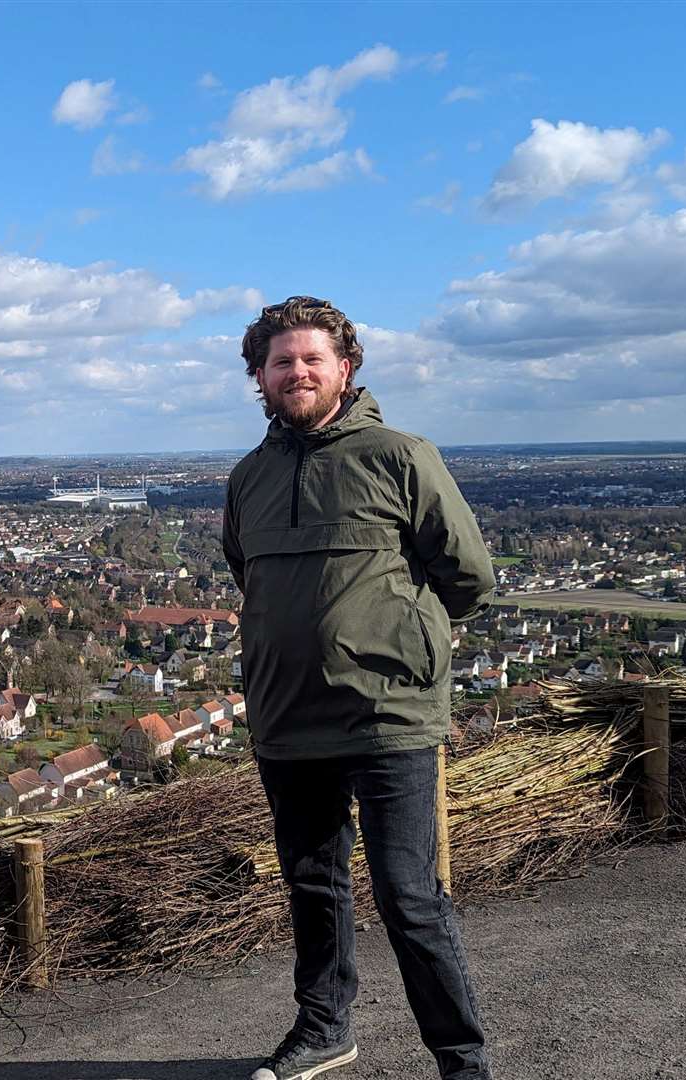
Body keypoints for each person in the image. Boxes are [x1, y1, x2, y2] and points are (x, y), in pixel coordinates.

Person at [223, 297, 496, 1080]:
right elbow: (249, 576)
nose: (297, 371)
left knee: (410, 895)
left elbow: (468, 575)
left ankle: (460, 1059)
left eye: (312, 358)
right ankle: (323, 1030)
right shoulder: (248, 479)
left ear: (346, 367)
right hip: (286, 715)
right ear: (259, 377)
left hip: (389, 716)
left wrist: (398, 641)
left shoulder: (401, 456)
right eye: (281, 361)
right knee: (311, 885)